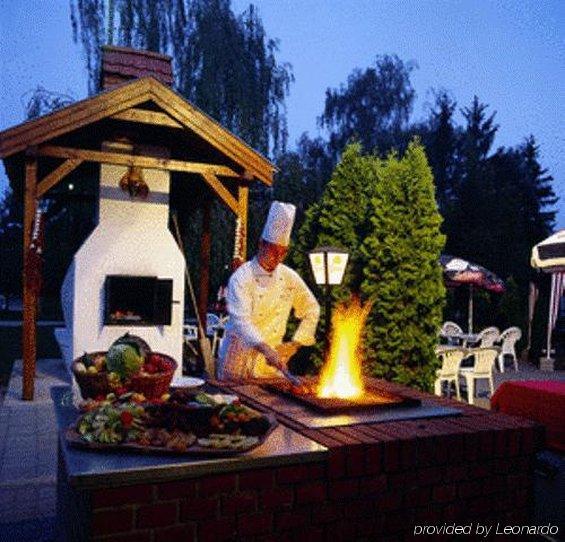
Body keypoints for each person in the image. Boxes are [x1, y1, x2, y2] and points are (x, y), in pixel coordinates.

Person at [217, 201, 320, 380]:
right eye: (273, 251)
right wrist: (266, 350)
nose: (277, 258)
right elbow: (242, 322)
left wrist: (294, 344)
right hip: (237, 364)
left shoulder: (289, 277)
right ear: (261, 245)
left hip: (270, 367)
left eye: (282, 253)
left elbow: (312, 309)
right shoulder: (241, 278)